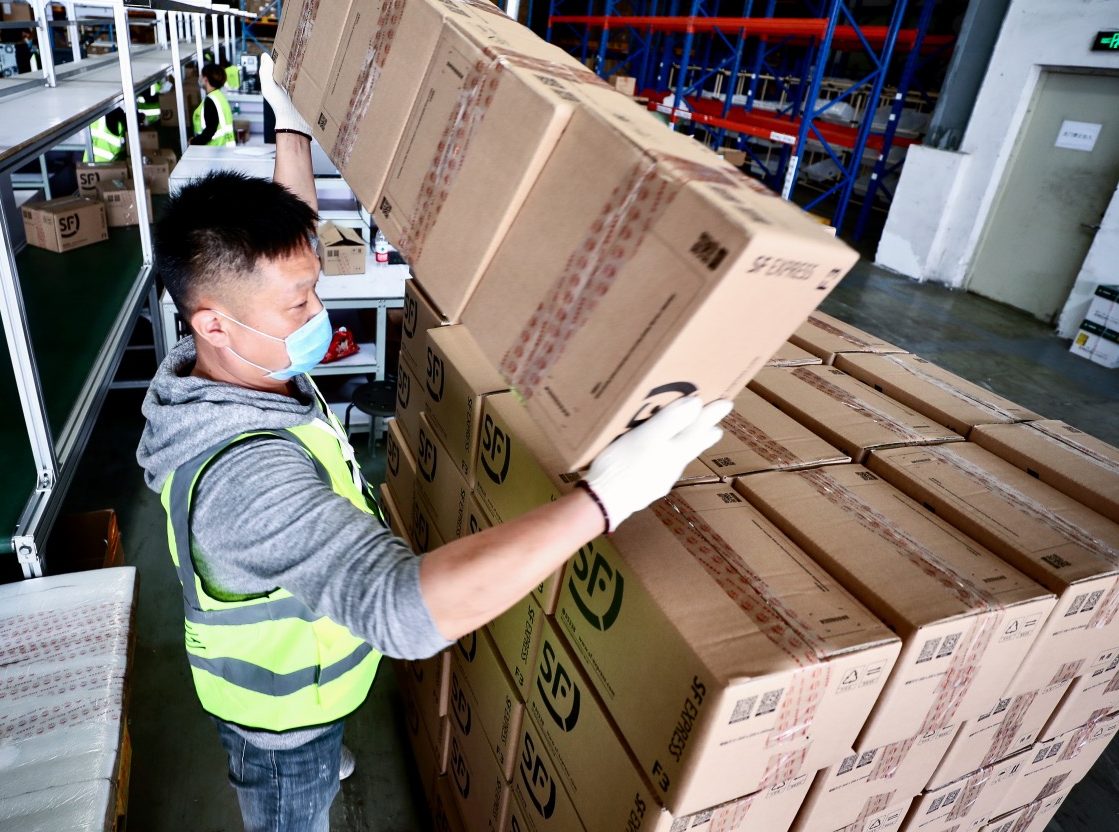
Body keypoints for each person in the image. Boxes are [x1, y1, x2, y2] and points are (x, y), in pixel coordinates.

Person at [137, 52, 732, 832]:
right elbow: (398, 612)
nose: (319, 313)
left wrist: (291, 128)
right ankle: (302, 775)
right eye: (300, 304)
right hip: (281, 727)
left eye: (313, 289)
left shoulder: (229, 363)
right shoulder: (244, 478)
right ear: (213, 323)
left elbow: (276, 261)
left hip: (316, 680)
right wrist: (603, 500)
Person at [190, 63, 236, 147]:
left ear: (205, 79)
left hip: (215, 148)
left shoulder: (210, 100)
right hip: (224, 147)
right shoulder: (219, 96)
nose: (200, 79)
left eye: (202, 76)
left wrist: (194, 142)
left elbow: (210, 130)